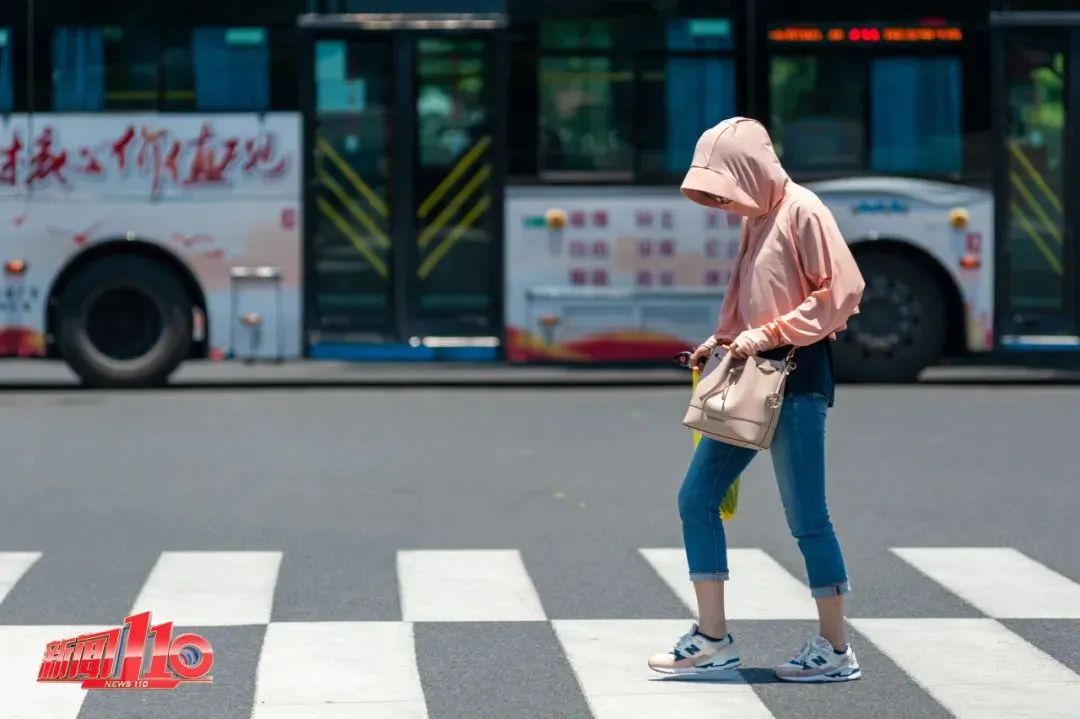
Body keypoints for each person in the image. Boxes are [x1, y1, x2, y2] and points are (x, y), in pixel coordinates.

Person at [647, 117, 866, 682]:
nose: (724, 204)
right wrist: (721, 340)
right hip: (750, 378)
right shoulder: (759, 216)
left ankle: (836, 649)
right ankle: (712, 638)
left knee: (807, 517)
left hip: (797, 379)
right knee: (697, 498)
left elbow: (843, 292)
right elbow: (747, 296)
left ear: (752, 171)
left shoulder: (804, 210)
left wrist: (766, 334)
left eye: (726, 190)